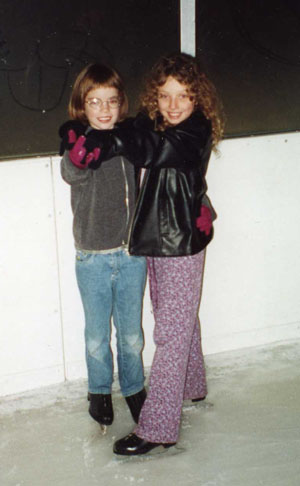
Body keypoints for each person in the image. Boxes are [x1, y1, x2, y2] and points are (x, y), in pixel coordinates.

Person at [66, 52, 224, 453]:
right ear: (155, 96)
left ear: (197, 100)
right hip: (154, 239)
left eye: (183, 96)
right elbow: (137, 131)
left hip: (178, 243)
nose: (174, 105)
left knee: (169, 332)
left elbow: (155, 151)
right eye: (165, 95)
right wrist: (90, 130)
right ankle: (193, 385)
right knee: (179, 316)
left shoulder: (193, 130)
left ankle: (157, 428)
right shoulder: (156, 121)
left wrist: (107, 139)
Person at [59, 63, 147, 430]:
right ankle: (99, 390)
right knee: (97, 334)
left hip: (131, 254)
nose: (104, 109)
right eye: (95, 102)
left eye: (111, 101)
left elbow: (147, 156)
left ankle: (134, 388)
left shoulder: (127, 139)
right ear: (82, 105)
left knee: (131, 334)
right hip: (92, 256)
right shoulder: (77, 141)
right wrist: (80, 153)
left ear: (120, 102)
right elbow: (70, 172)